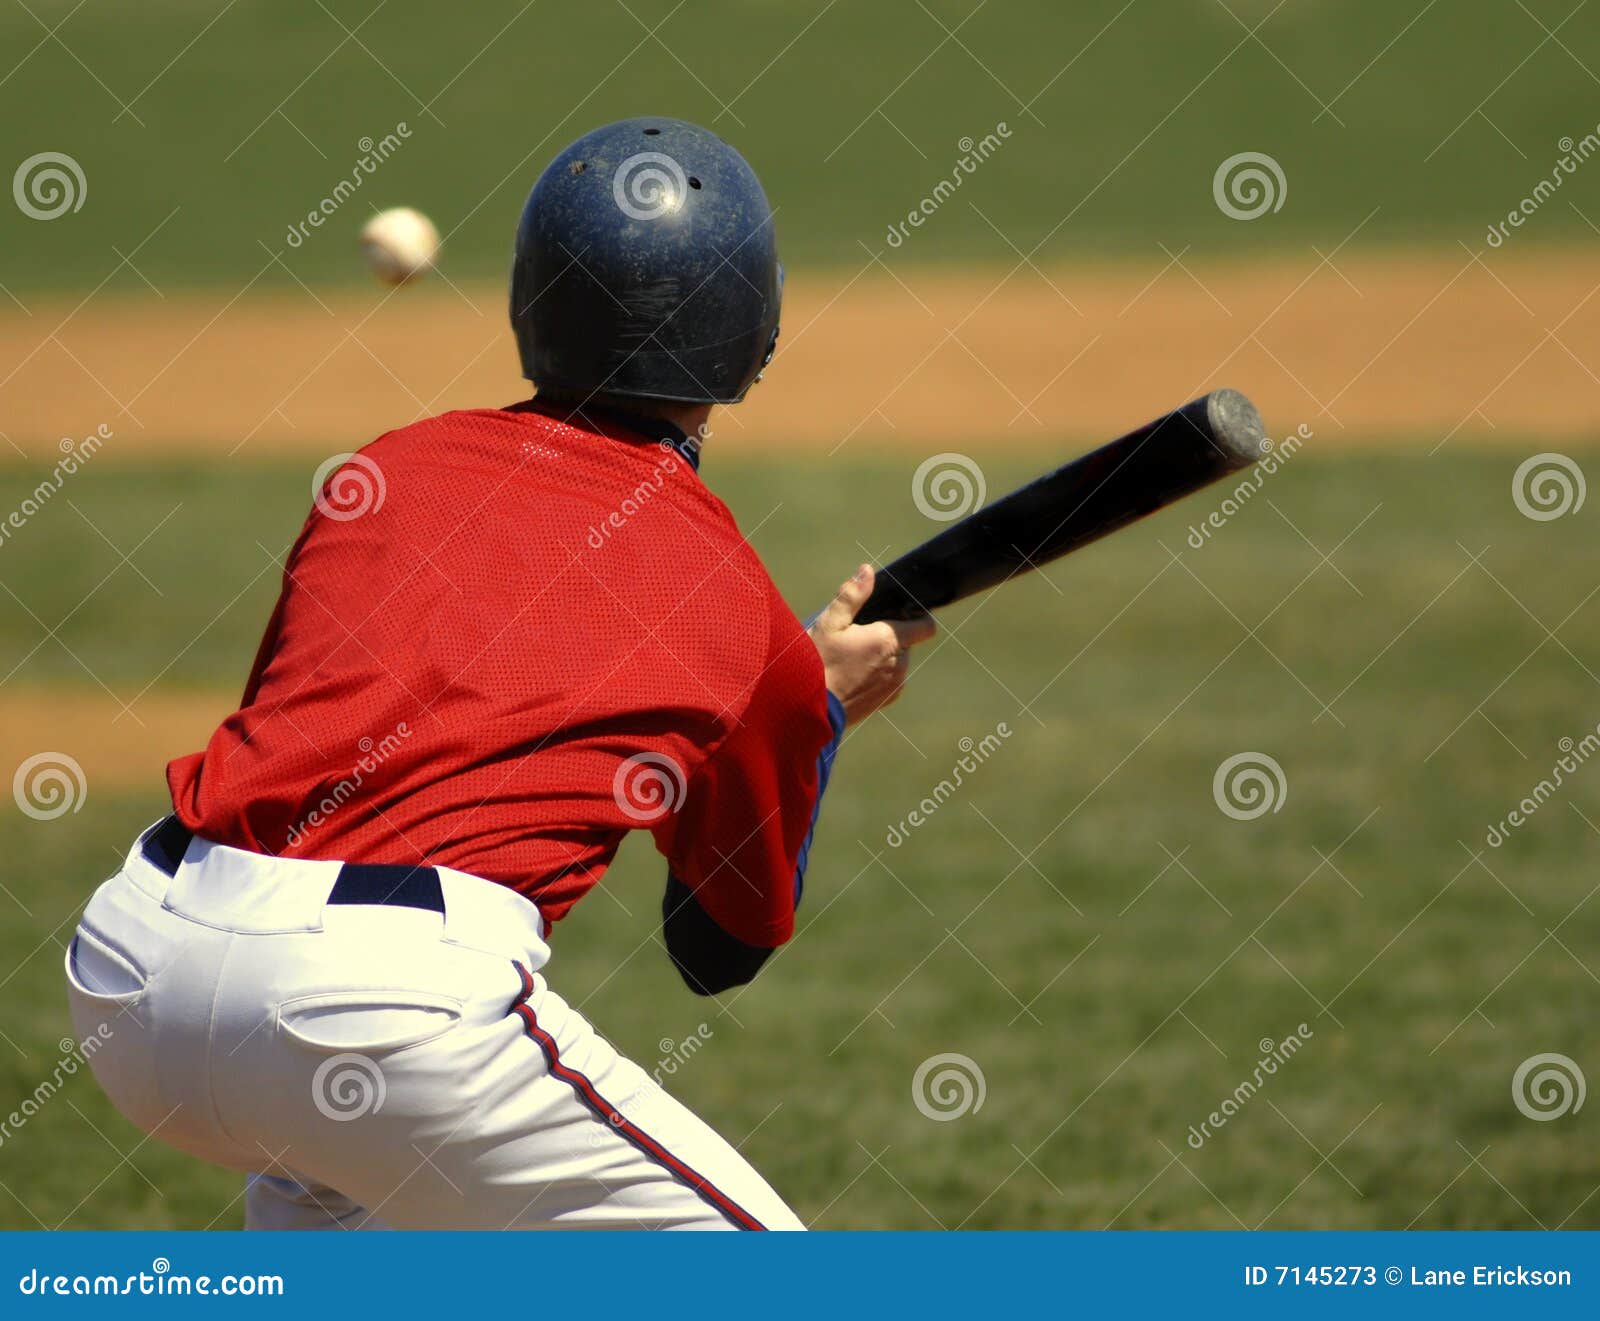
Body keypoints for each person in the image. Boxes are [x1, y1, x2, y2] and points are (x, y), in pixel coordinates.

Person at [63, 117, 935, 1231]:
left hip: (135, 967)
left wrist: (788, 688)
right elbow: (719, 949)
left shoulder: (385, 469)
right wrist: (810, 706)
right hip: (383, 1015)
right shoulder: (739, 608)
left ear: (534, 301)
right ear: (750, 329)